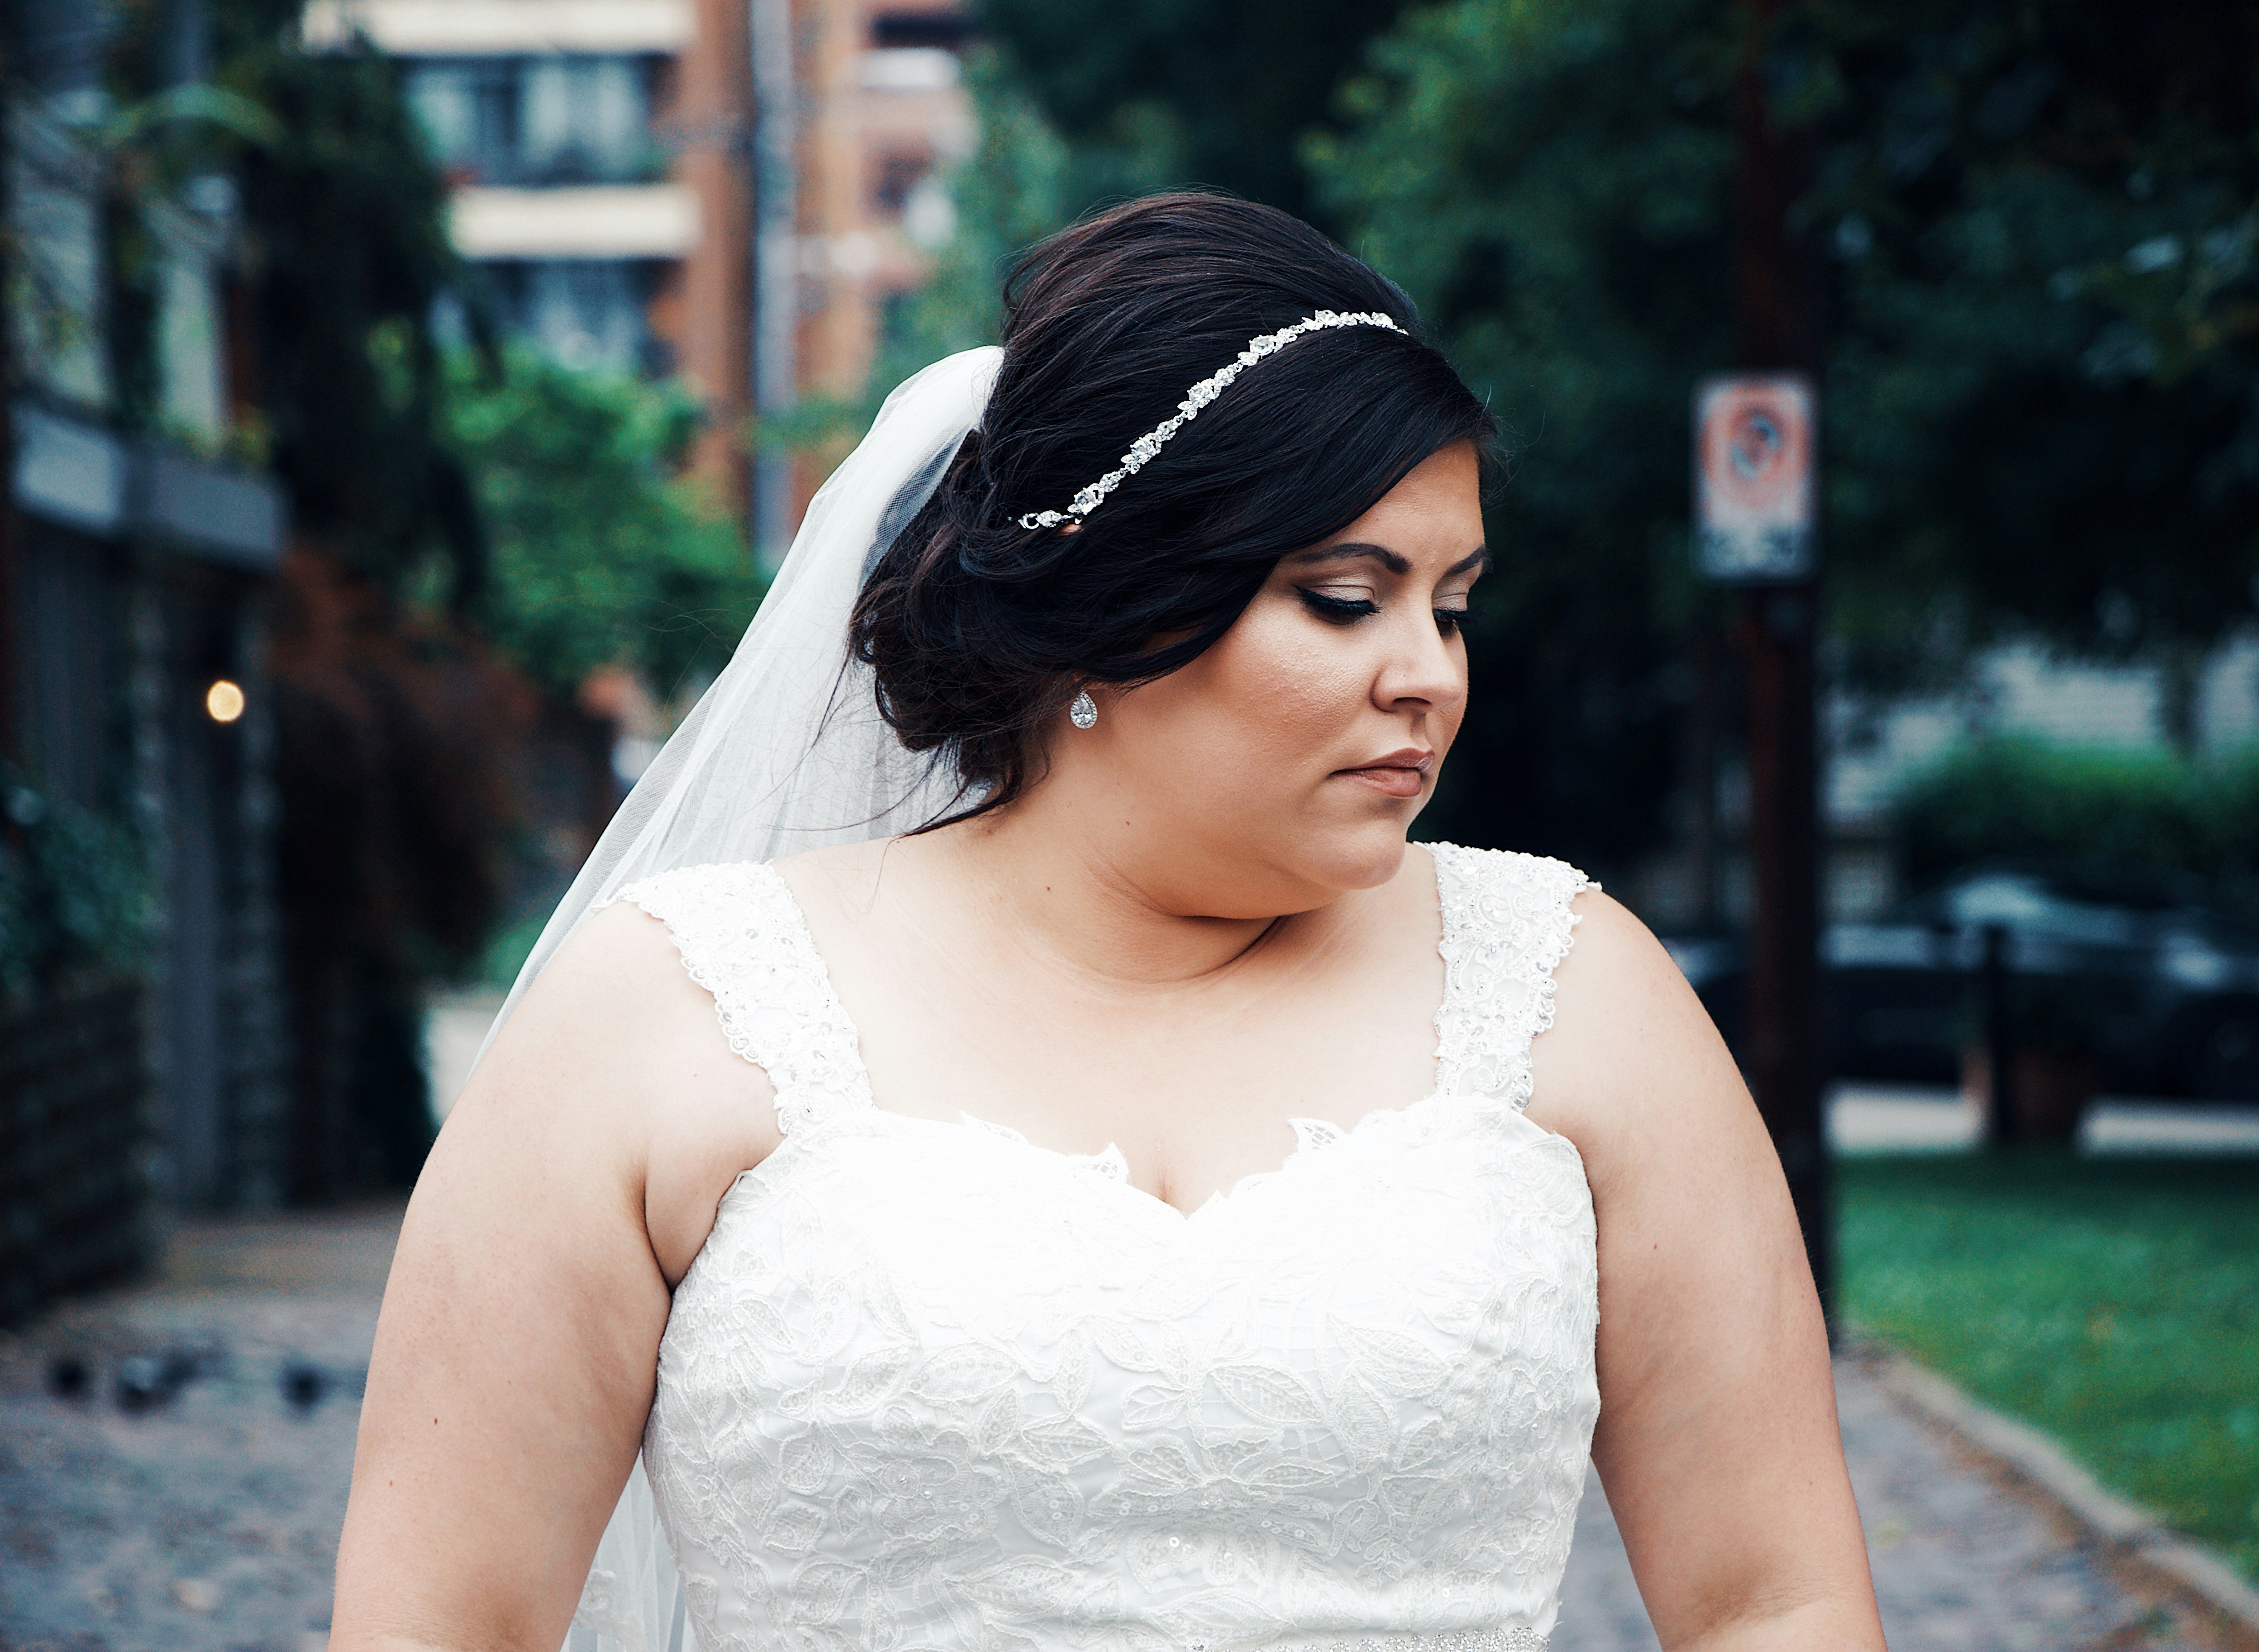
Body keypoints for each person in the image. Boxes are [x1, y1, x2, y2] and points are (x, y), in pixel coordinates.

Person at [332, 194, 1885, 1652]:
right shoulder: (667, 1016)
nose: (1428, 673)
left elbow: (1773, 1604)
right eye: (1346, 601)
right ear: (1115, 607)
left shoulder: (1570, 990)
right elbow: (441, 1621)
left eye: (1451, 603)